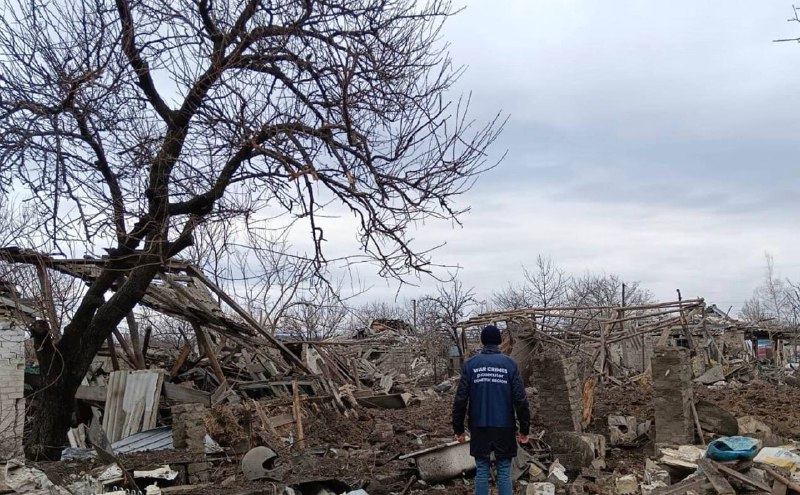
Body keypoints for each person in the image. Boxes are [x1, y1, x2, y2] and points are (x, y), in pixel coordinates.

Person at [452, 324, 530, 495]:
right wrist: (524, 429)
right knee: (503, 471)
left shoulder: (471, 365)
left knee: (481, 471)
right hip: (504, 426)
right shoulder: (510, 364)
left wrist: (458, 429)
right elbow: (521, 400)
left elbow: (460, 399)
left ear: (482, 341)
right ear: (499, 342)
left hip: (479, 426)